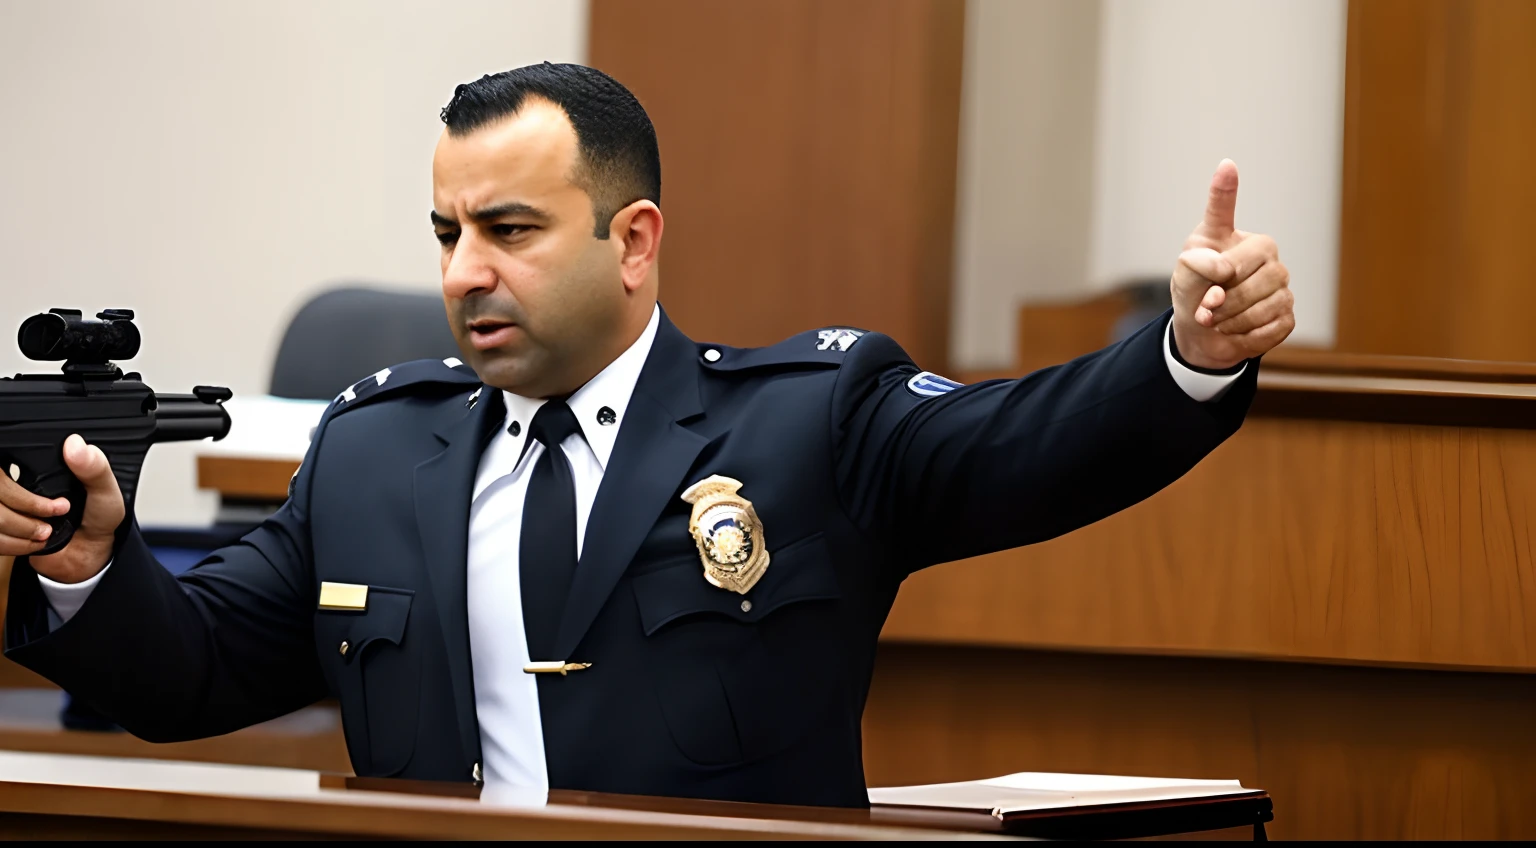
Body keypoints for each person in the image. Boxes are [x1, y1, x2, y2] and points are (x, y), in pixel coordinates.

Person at [0, 63, 1293, 807]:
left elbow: (1032, 444)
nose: (464, 272)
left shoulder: (806, 424)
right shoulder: (376, 451)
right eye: (447, 235)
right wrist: (84, 569)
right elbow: (194, 678)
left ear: (634, 241)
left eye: (509, 231)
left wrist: (1190, 355)